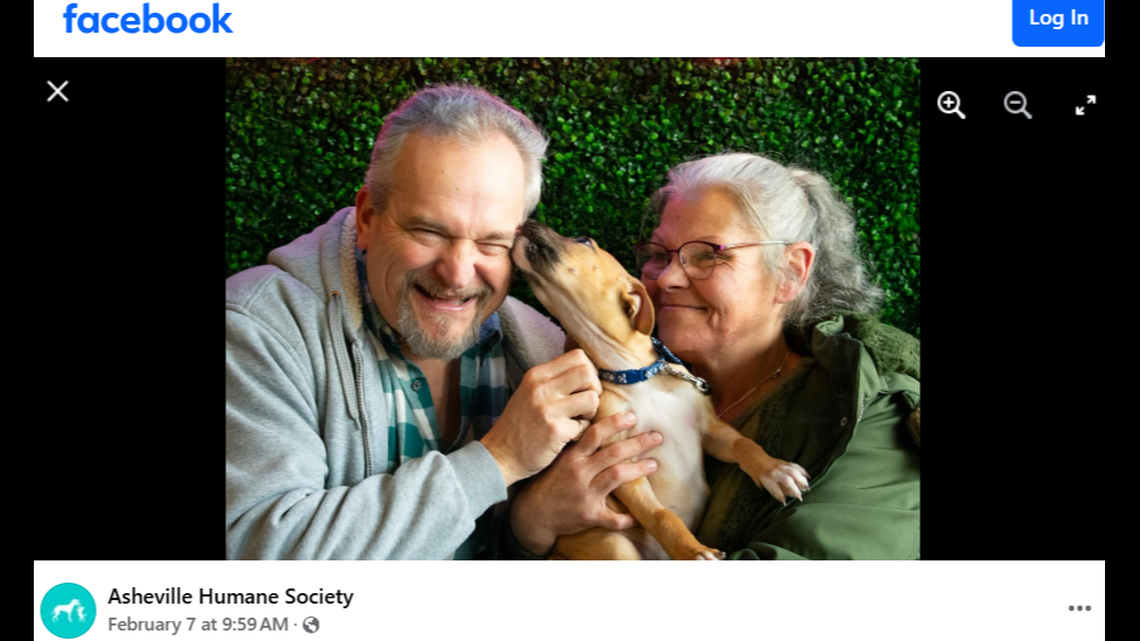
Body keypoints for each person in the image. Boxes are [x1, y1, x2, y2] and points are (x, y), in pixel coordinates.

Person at [225, 85, 661, 559]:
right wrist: (499, 460)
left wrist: (524, 529)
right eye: (429, 231)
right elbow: (255, 554)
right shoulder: (258, 327)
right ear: (369, 217)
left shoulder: (539, 346)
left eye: (492, 242)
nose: (457, 273)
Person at [507, 152, 920, 559]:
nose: (667, 278)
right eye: (658, 255)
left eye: (709, 254)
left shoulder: (871, 411)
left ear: (791, 271)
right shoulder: (611, 380)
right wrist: (531, 522)